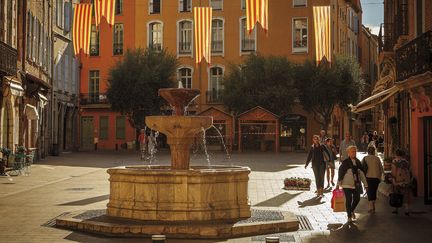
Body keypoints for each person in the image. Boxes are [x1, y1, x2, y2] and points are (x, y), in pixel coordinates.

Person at [337, 145, 368, 222]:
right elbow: (340, 173)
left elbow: (362, 174)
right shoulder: (345, 162)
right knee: (349, 199)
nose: (354, 153)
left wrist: (366, 185)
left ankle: (351, 210)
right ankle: (349, 217)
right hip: (346, 184)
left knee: (357, 198)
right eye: (352, 151)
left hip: (356, 184)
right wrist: (338, 184)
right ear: (348, 153)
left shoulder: (358, 162)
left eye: (355, 151)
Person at [362, 146, 384, 213]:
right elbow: (381, 169)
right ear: (374, 151)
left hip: (368, 177)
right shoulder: (377, 158)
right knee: (374, 191)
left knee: (369, 192)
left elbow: (361, 168)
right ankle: (373, 205)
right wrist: (381, 177)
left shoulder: (365, 158)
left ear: (368, 151)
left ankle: (371, 207)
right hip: (376, 178)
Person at [391, 149, 412, 216]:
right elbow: (409, 170)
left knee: (397, 195)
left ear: (396, 154)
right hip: (406, 180)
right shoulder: (406, 162)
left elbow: (394, 172)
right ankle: (407, 210)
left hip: (398, 180)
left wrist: (393, 180)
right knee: (406, 195)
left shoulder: (394, 161)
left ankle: (396, 209)